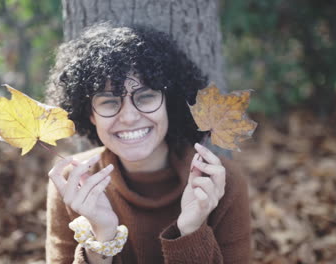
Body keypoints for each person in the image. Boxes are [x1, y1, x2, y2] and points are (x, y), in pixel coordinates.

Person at [45, 23, 251, 264]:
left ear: (169, 103)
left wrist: (190, 231)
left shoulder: (221, 181)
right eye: (110, 102)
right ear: (89, 114)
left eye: (145, 97)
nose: (129, 117)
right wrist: (102, 240)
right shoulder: (74, 182)